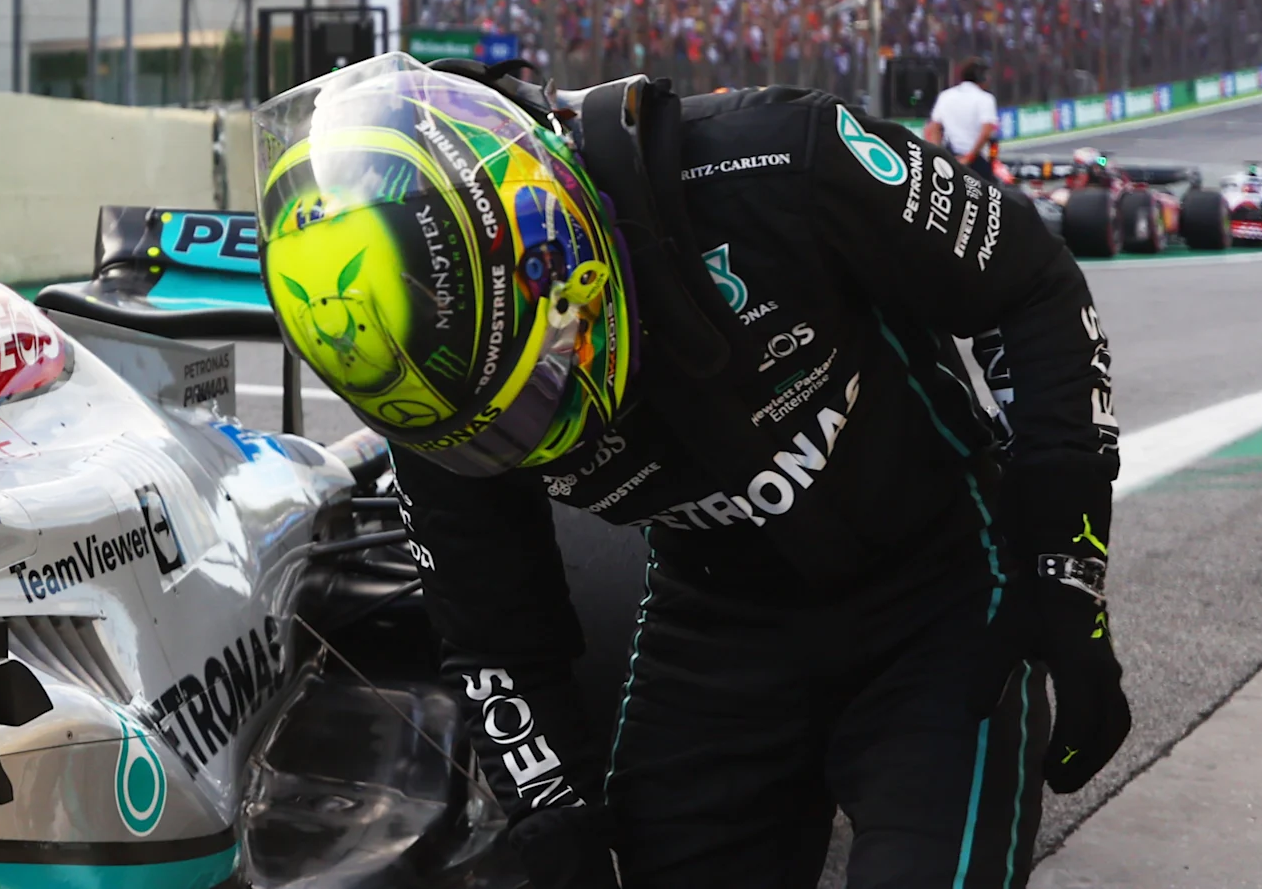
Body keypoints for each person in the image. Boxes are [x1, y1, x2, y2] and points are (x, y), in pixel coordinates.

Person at [257, 53, 1121, 888]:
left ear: (557, 241)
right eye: (495, 426)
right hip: (716, 619)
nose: (530, 436)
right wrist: (550, 809)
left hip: (938, 594)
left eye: (536, 387)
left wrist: (1066, 565)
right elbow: (493, 631)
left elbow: (1032, 284)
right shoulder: (431, 394)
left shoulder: (784, 158)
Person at [927, 57, 1002, 167]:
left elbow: (933, 128)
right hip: (977, 160)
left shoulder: (945, 96)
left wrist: (938, 155)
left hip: (950, 158)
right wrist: (969, 157)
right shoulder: (985, 99)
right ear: (982, 77)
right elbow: (986, 132)